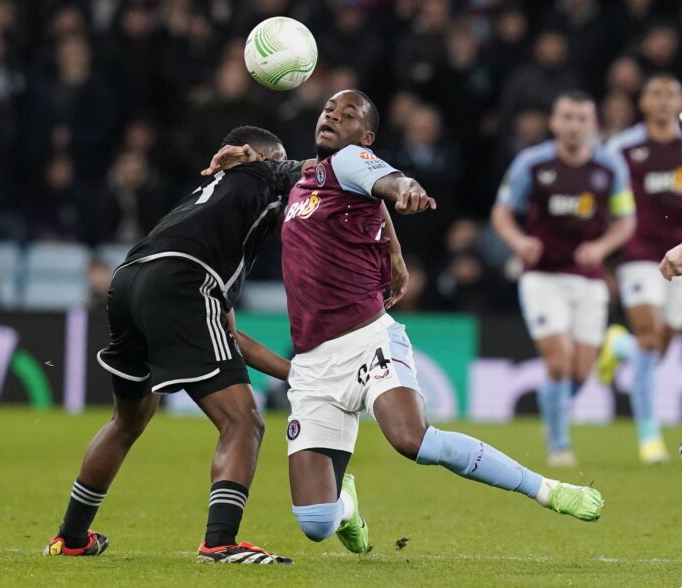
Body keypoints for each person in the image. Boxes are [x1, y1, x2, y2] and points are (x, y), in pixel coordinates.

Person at [209, 90, 606, 557]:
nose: (333, 116)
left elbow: (388, 182)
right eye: (328, 110)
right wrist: (393, 250)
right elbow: (308, 177)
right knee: (315, 521)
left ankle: (546, 488)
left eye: (348, 114)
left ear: (367, 136)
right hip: (314, 363)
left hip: (367, 339)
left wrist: (407, 190)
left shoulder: (354, 160)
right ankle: (347, 507)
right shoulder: (304, 180)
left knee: (411, 438)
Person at [44, 126, 305, 565]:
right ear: (255, 156)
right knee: (243, 422)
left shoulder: (211, 213)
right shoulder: (261, 176)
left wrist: (299, 376)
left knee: (128, 419)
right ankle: (220, 544)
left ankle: (70, 537)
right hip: (181, 281)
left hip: (131, 279)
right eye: (275, 159)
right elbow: (326, 170)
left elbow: (230, 337)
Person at [491, 90, 636, 467]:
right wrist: (519, 240)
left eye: (582, 118)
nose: (574, 126)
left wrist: (602, 248)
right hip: (542, 277)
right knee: (558, 361)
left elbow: (625, 220)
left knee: (581, 370)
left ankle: (552, 407)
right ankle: (559, 445)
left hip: (589, 278)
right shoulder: (533, 163)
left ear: (593, 124)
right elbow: (502, 213)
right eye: (567, 118)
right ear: (555, 123)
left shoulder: (609, 167)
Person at [597, 74, 682, 464]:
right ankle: (650, 438)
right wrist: (609, 255)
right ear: (643, 102)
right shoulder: (624, 148)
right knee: (650, 338)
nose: (664, 101)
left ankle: (619, 346)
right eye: (656, 94)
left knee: (662, 343)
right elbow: (601, 200)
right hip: (640, 255)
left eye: (671, 95)